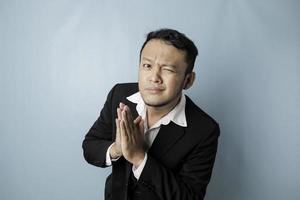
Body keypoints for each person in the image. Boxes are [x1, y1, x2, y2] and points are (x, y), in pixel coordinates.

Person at [82, 28, 220, 200]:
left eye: (168, 69)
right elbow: (90, 145)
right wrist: (118, 148)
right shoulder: (119, 94)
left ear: (188, 80)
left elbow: (189, 197)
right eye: (147, 66)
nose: (154, 77)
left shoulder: (204, 130)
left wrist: (139, 157)